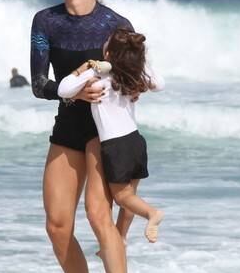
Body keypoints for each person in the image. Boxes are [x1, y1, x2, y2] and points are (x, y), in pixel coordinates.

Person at [31, 0, 134, 273]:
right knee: (58, 227)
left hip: (107, 129)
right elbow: (39, 83)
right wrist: (73, 88)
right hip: (69, 125)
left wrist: (117, 86)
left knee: (98, 215)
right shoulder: (46, 22)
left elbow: (134, 81)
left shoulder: (117, 25)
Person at [57, 29, 164, 243]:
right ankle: (121, 238)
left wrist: (84, 68)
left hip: (116, 145)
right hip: (136, 141)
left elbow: (63, 89)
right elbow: (160, 84)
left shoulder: (98, 76)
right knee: (129, 200)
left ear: (108, 56)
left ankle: (152, 213)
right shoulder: (134, 75)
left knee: (123, 198)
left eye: (106, 43)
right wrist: (141, 63)